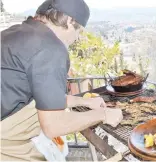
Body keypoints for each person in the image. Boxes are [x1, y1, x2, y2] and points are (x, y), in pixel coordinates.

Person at [0, 0, 123, 161]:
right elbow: (53, 125)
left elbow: (46, 97)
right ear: (70, 21)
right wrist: (103, 114)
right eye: (78, 31)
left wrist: (84, 102)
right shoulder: (50, 47)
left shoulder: (16, 32)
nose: (77, 38)